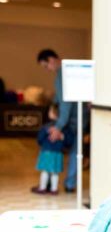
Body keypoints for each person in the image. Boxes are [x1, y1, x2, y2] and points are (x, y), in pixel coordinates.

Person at [37, 49, 79, 193]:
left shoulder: (63, 74)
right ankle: (67, 184)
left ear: (51, 60)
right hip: (75, 118)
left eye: (45, 66)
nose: (47, 70)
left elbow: (66, 102)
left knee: (74, 151)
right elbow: (60, 98)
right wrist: (53, 106)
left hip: (72, 120)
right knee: (75, 151)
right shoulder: (66, 71)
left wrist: (59, 126)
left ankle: (62, 183)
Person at [31, 107, 73, 195]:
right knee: (55, 172)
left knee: (45, 171)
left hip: (46, 152)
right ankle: (54, 189)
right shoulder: (65, 128)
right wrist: (62, 137)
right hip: (58, 153)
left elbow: (39, 139)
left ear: (51, 114)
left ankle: (42, 188)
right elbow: (69, 141)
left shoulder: (46, 127)